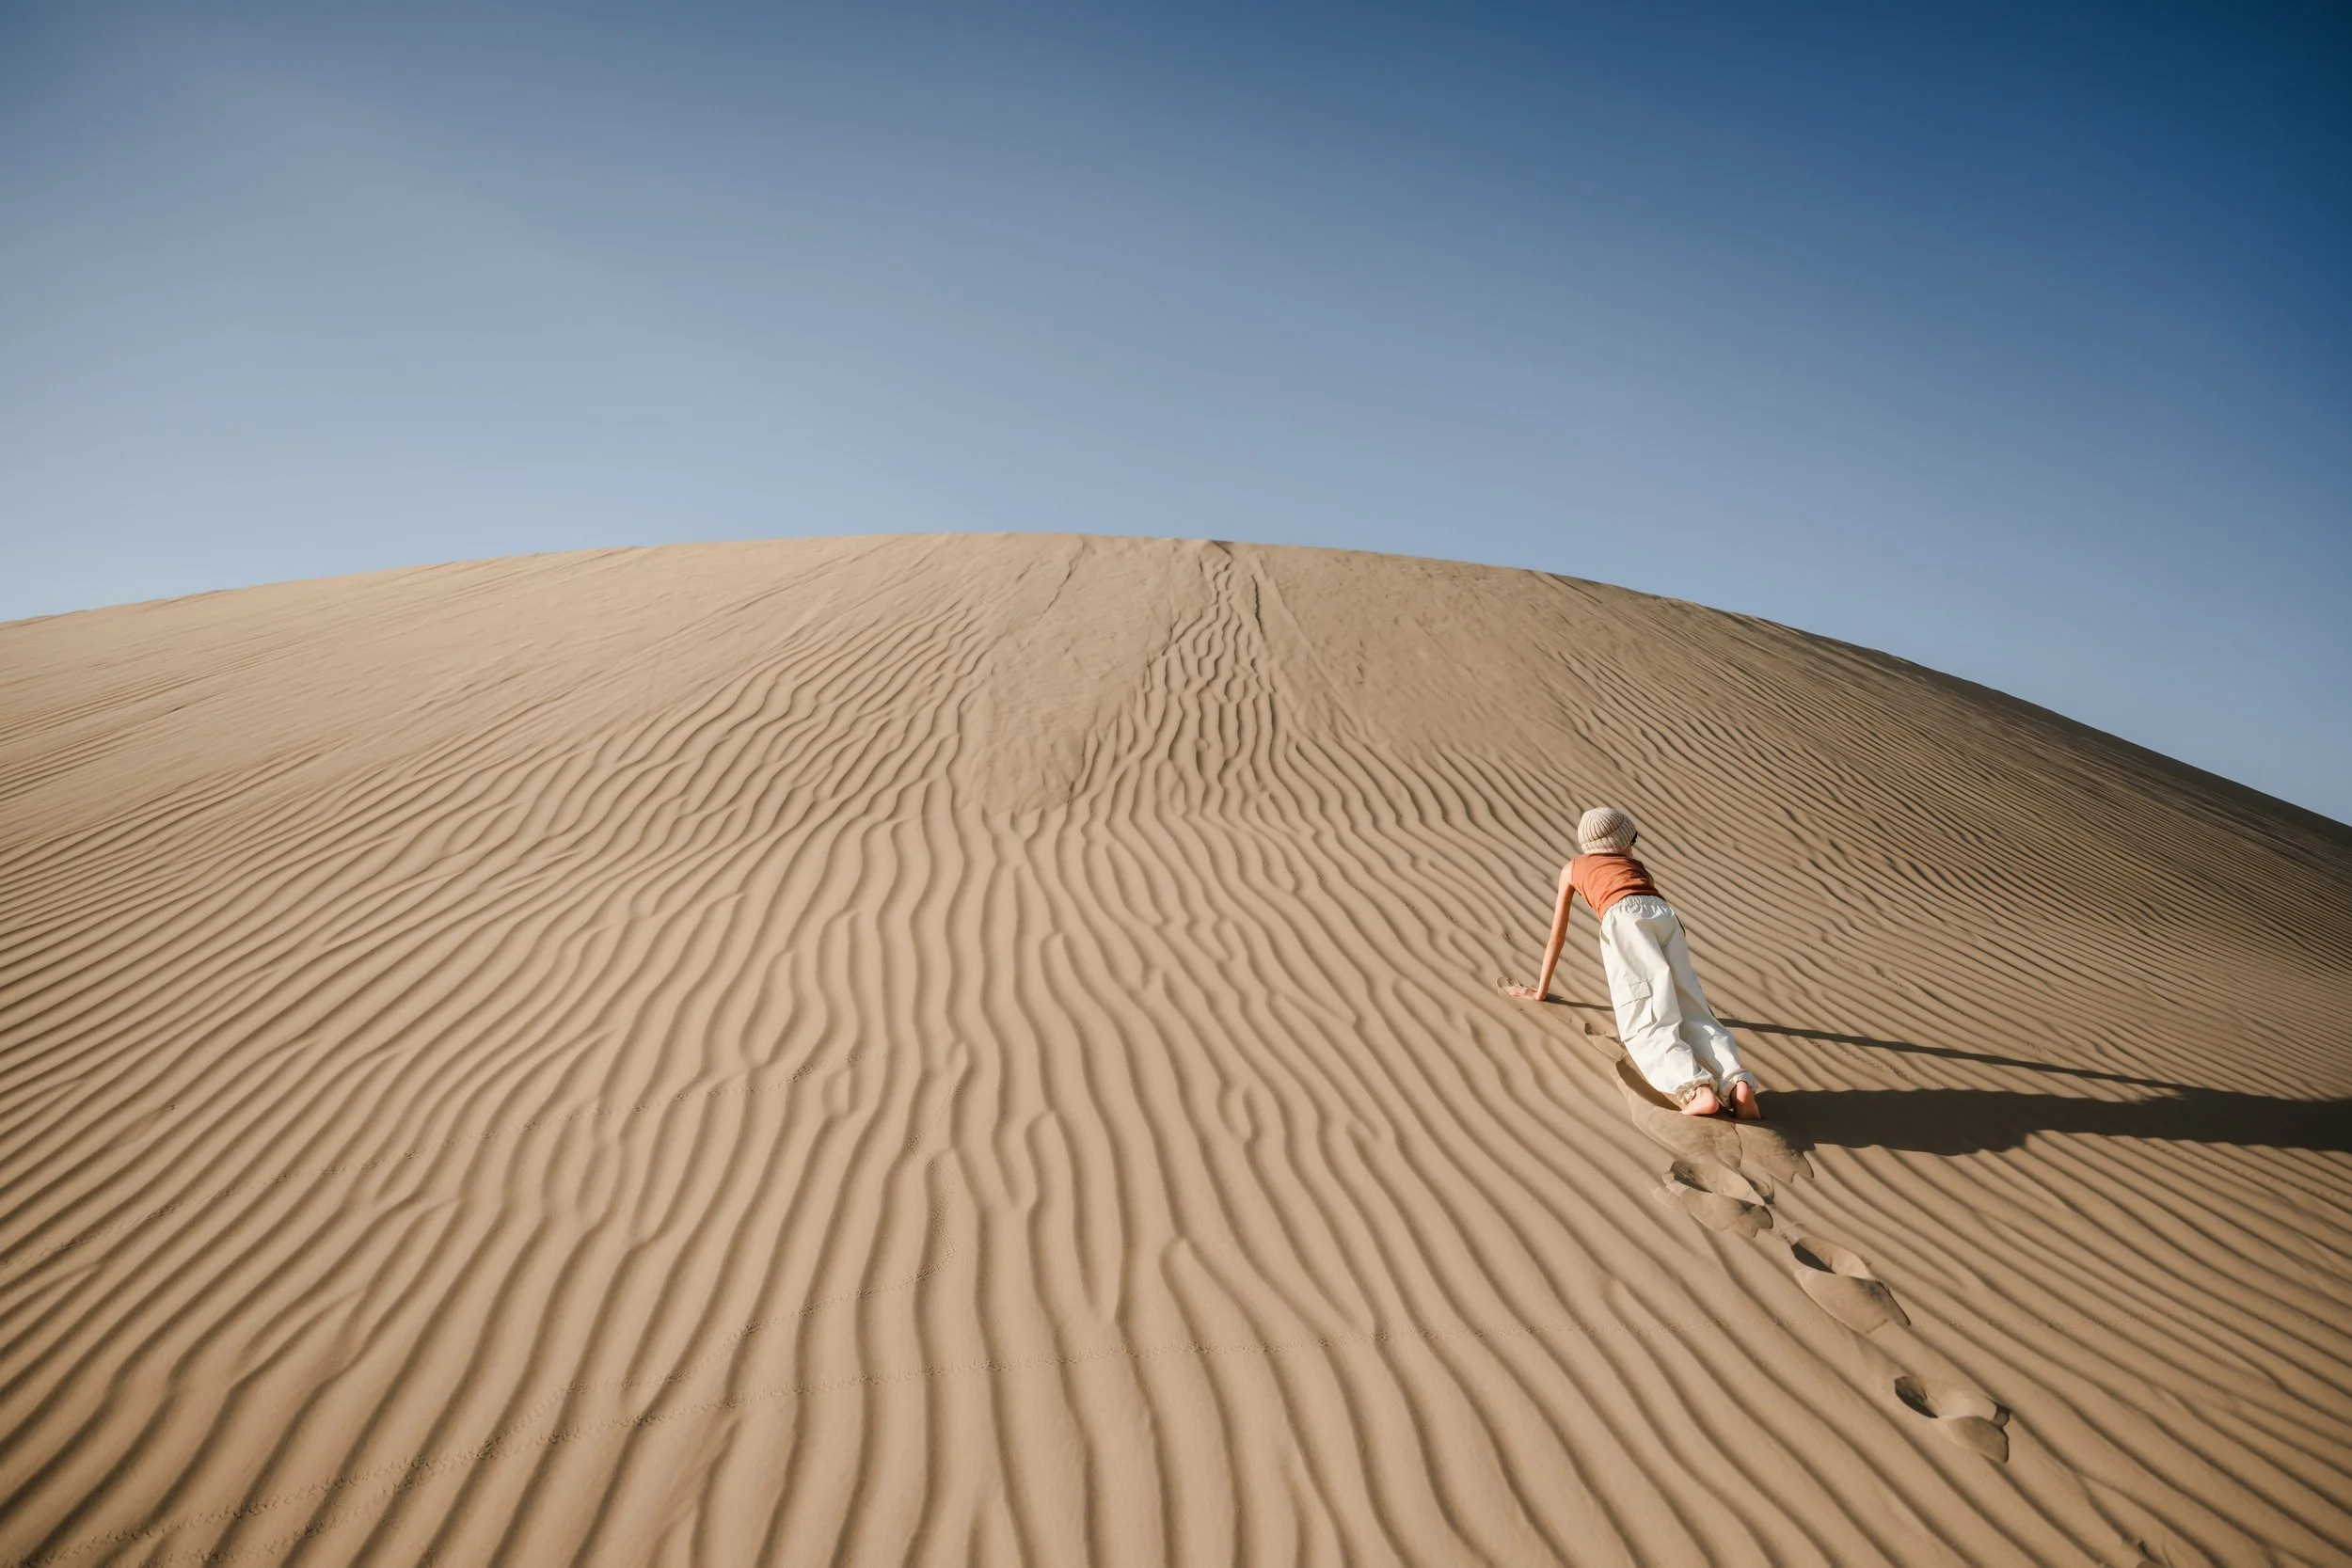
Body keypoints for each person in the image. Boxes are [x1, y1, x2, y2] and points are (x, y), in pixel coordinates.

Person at [1506, 807, 1763, 1119]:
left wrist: (1541, 990)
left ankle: (1695, 1089)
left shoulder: (1572, 868)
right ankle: (1736, 1081)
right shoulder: (1636, 866)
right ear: (1624, 841)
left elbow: (1556, 936)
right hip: (1664, 913)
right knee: (1691, 1006)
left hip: (1623, 918)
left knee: (1645, 1013)